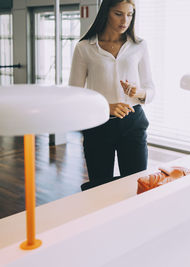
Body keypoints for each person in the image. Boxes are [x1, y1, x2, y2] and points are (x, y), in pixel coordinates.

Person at [69, 0, 155, 191]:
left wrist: (138, 92)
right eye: (118, 13)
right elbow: (74, 96)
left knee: (136, 187)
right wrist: (106, 107)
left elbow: (150, 89)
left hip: (133, 122)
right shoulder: (84, 48)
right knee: (100, 189)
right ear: (106, 12)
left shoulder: (139, 46)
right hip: (98, 126)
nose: (125, 20)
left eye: (130, 14)